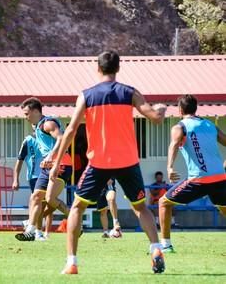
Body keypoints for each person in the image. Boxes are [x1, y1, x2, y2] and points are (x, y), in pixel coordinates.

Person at [50, 50, 166, 274]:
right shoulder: (130, 92)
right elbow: (155, 118)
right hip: (128, 161)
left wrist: (56, 162)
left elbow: (72, 130)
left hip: (99, 162)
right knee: (140, 207)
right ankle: (155, 247)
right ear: (118, 69)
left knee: (77, 207)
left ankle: (72, 262)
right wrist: (161, 109)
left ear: (98, 68)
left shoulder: (86, 95)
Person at [159, 95, 226, 253]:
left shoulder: (180, 127)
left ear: (180, 110)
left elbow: (173, 145)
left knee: (164, 202)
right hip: (220, 178)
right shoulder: (210, 125)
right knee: (224, 208)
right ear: (196, 108)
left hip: (199, 179)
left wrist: (169, 167)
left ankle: (166, 245)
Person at [15, 97, 72, 242]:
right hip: (49, 166)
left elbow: (61, 138)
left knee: (50, 199)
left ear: (35, 111)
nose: (26, 117)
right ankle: (31, 231)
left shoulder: (47, 124)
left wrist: (49, 157)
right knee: (35, 197)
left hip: (61, 163)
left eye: (27, 114)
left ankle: (74, 219)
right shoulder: (38, 126)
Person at [12, 132, 53, 235]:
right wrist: (15, 179)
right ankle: (38, 232)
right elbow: (19, 160)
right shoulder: (28, 141)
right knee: (41, 203)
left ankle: (32, 223)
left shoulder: (50, 139)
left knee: (51, 202)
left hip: (49, 174)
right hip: (34, 176)